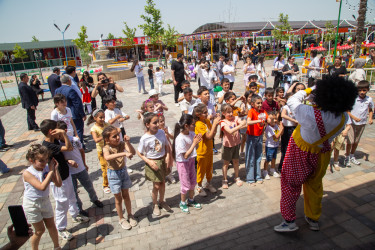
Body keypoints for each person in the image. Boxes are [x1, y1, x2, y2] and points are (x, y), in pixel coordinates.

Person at [274, 77, 357, 232]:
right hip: (322, 155)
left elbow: (292, 99)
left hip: (300, 153)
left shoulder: (308, 112)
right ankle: (313, 218)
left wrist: (311, 88)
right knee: (315, 185)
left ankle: (289, 221)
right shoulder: (343, 117)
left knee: (290, 185)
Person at [40, 120, 89, 241]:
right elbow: (69, 147)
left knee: (72, 196)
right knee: (62, 203)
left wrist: (67, 161)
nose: (60, 132)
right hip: (58, 179)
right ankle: (61, 228)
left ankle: (75, 214)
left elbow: (59, 156)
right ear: (52, 132)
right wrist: (64, 134)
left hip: (66, 174)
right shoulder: (47, 145)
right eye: (57, 129)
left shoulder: (54, 141)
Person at [56, 121, 103, 217]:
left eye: (60, 134)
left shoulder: (74, 140)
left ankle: (94, 199)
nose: (58, 136)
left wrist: (84, 164)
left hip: (80, 168)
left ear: (65, 131)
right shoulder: (57, 145)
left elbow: (81, 151)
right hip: (70, 172)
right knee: (74, 191)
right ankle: (79, 208)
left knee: (89, 185)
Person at [22, 144, 61, 250]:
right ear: (31, 160)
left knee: (51, 226)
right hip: (32, 204)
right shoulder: (28, 173)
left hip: (45, 201)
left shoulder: (47, 169)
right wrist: (51, 171)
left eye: (46, 160)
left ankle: (57, 246)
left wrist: (55, 169)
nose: (44, 163)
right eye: (41, 161)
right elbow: (42, 187)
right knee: (39, 231)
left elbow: (58, 184)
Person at [102, 126, 138, 229]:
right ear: (107, 140)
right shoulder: (106, 148)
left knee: (126, 195)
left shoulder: (122, 144)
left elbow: (133, 152)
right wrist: (123, 153)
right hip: (113, 175)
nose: (118, 138)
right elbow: (107, 157)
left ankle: (130, 214)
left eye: (118, 135)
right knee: (118, 198)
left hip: (123, 172)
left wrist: (128, 143)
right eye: (114, 136)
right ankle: (121, 219)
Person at [137, 113, 172, 216]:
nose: (157, 124)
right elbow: (139, 152)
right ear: (147, 125)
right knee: (156, 185)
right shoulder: (144, 138)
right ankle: (155, 204)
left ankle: (162, 201)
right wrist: (149, 162)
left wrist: (168, 156)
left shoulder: (161, 132)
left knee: (163, 182)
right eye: (154, 122)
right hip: (153, 162)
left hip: (162, 161)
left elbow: (167, 146)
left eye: (158, 122)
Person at [172, 114, 203, 213]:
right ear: (186, 125)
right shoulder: (180, 138)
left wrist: (197, 143)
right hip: (183, 163)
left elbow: (195, 149)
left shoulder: (191, 133)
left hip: (190, 161)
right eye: (193, 124)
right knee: (185, 184)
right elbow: (185, 155)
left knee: (193, 181)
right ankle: (182, 202)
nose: (195, 126)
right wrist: (194, 143)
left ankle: (191, 199)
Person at [55, 75, 88, 152]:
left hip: (63, 115)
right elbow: (77, 103)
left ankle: (70, 145)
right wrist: (82, 114)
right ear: (69, 81)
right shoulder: (70, 90)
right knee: (78, 130)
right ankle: (80, 146)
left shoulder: (57, 90)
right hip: (74, 114)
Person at [193, 103, 221, 196]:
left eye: (206, 111)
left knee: (209, 168)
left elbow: (213, 133)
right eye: (204, 112)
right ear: (198, 114)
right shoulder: (198, 124)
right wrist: (215, 124)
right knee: (201, 170)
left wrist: (216, 125)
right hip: (202, 151)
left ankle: (208, 183)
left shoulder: (206, 121)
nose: (207, 114)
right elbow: (208, 136)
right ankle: (199, 186)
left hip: (209, 150)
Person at [345, 80, 373, 167]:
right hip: (351, 123)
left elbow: (371, 109)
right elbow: (347, 110)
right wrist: (354, 118)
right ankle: (347, 157)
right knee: (350, 141)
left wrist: (370, 118)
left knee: (356, 141)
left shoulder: (369, 99)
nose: (362, 92)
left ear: (367, 90)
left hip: (362, 123)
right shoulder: (353, 98)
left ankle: (352, 155)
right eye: (360, 90)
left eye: (364, 90)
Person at [220, 104, 247, 189]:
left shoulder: (235, 118)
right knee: (226, 164)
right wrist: (240, 126)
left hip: (236, 144)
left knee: (236, 161)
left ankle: (236, 177)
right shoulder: (223, 122)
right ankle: (224, 179)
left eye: (231, 112)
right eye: (228, 112)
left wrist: (242, 123)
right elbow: (230, 131)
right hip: (227, 146)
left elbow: (244, 122)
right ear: (223, 113)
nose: (231, 114)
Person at [245, 95, 268, 186]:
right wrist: (258, 121)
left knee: (258, 157)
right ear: (252, 104)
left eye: (261, 103)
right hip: (251, 136)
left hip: (259, 136)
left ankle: (258, 176)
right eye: (258, 103)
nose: (260, 105)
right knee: (250, 158)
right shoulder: (251, 111)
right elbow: (248, 122)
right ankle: (250, 178)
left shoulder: (263, 111)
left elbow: (267, 118)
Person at [88, 109, 111, 194]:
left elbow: (113, 130)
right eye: (100, 117)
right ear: (95, 118)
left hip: (109, 148)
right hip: (101, 151)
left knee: (111, 166)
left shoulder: (106, 124)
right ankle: (105, 185)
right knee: (105, 168)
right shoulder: (94, 129)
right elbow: (96, 140)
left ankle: (112, 181)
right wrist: (104, 136)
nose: (102, 119)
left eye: (103, 117)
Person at [279, 93, 298, 171]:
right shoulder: (286, 107)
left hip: (295, 128)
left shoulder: (296, 107)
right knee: (285, 149)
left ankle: (290, 166)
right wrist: (294, 120)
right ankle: (282, 167)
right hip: (287, 129)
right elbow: (283, 115)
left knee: (293, 149)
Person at [263, 111, 283, 180]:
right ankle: (265, 171)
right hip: (270, 146)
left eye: (275, 119)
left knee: (274, 158)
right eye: (273, 119)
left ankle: (272, 169)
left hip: (275, 145)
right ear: (268, 121)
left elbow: (281, 133)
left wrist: (280, 127)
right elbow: (276, 136)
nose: (275, 120)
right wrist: (282, 128)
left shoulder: (276, 126)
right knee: (268, 159)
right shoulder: (269, 128)